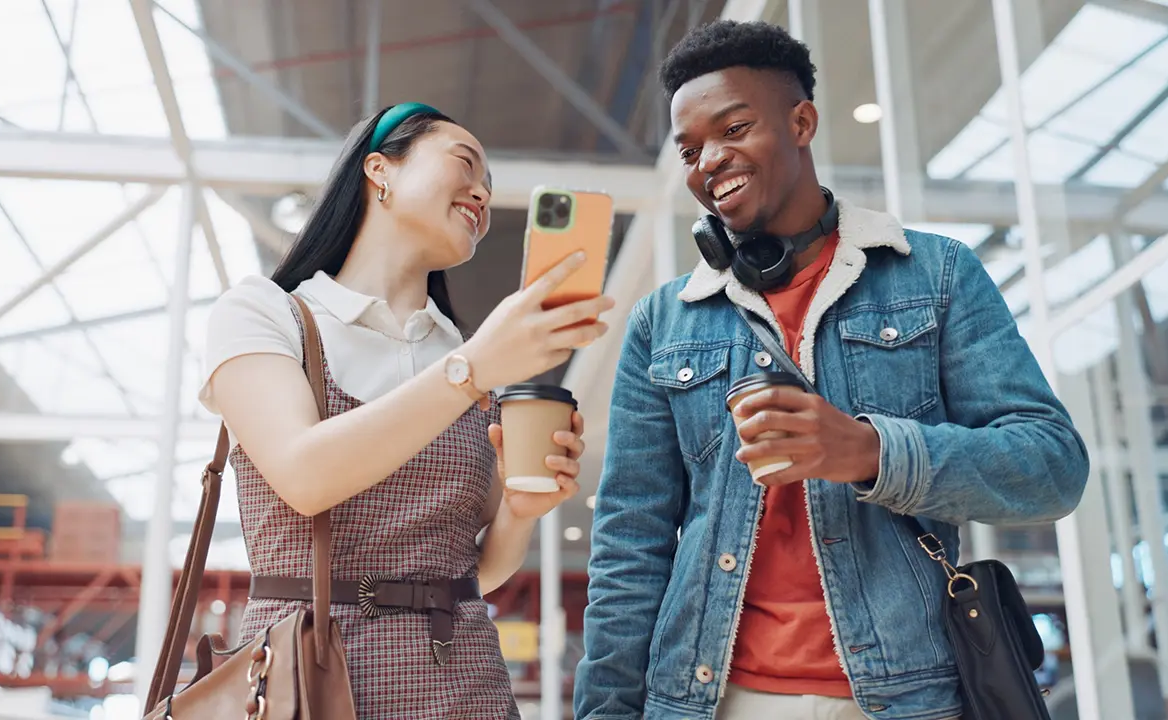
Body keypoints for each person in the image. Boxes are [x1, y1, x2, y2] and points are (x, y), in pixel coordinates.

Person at [574, 21, 1088, 720]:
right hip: (709, 700)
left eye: (733, 129)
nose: (708, 162)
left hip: (903, 700)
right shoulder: (661, 325)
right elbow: (628, 548)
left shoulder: (935, 276)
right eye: (689, 149)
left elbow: (1051, 467)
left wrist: (870, 451)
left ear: (801, 120)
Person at [200, 102, 613, 719]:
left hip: (463, 680)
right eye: (465, 164)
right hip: (306, 681)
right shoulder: (266, 313)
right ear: (379, 171)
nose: (482, 192)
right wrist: (471, 371)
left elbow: (477, 572)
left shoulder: (471, 356)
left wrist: (522, 513)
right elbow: (305, 476)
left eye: (490, 187)